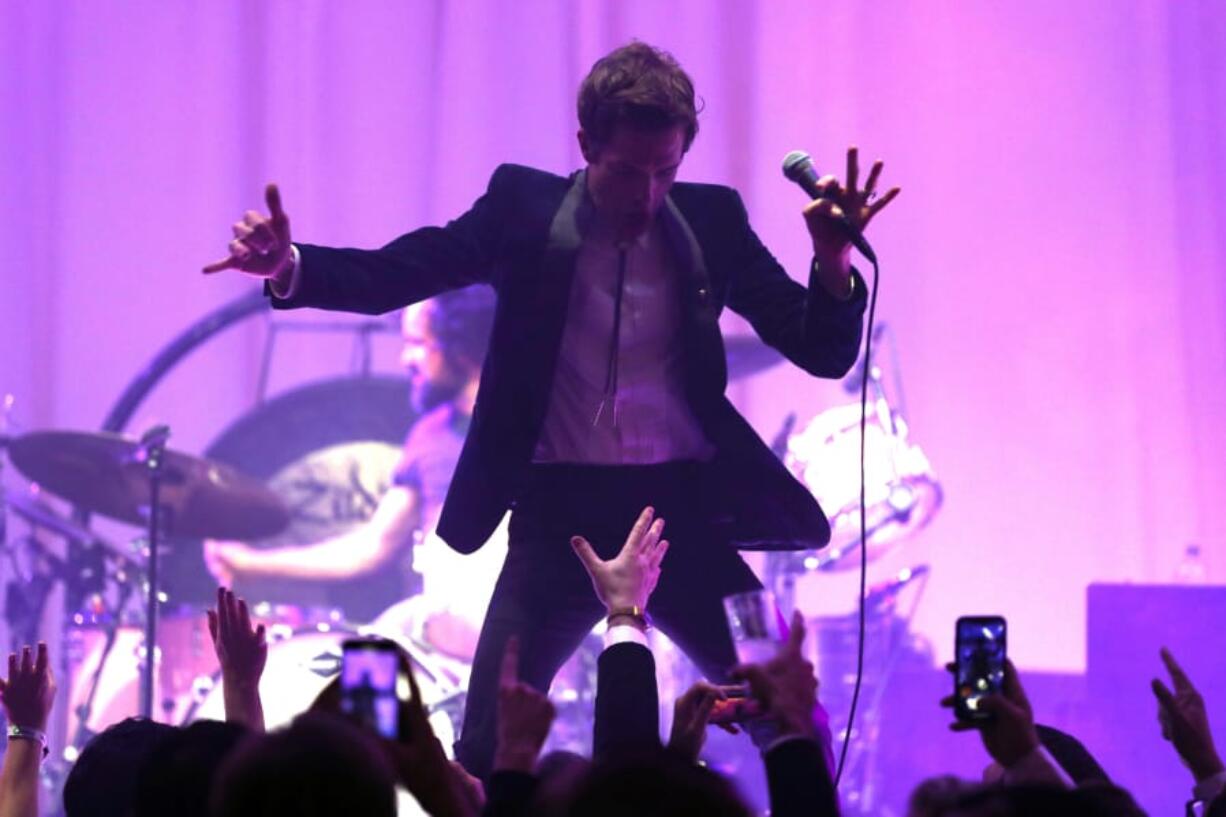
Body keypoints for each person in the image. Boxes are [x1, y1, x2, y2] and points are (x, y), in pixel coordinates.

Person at [203, 40, 899, 777]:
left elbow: (819, 348)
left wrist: (832, 263)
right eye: (627, 171)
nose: (647, 193)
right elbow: (402, 269)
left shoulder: (713, 221)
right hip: (557, 515)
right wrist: (289, 265)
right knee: (484, 745)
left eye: (666, 170)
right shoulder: (524, 210)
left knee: (787, 704)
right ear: (585, 146)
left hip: (680, 515)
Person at [205, 287, 503, 659]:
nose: (405, 358)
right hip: (449, 648)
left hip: (522, 641)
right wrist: (252, 564)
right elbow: (371, 547)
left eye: (416, 343)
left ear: (461, 346)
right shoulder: (431, 436)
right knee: (352, 673)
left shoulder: (540, 427)